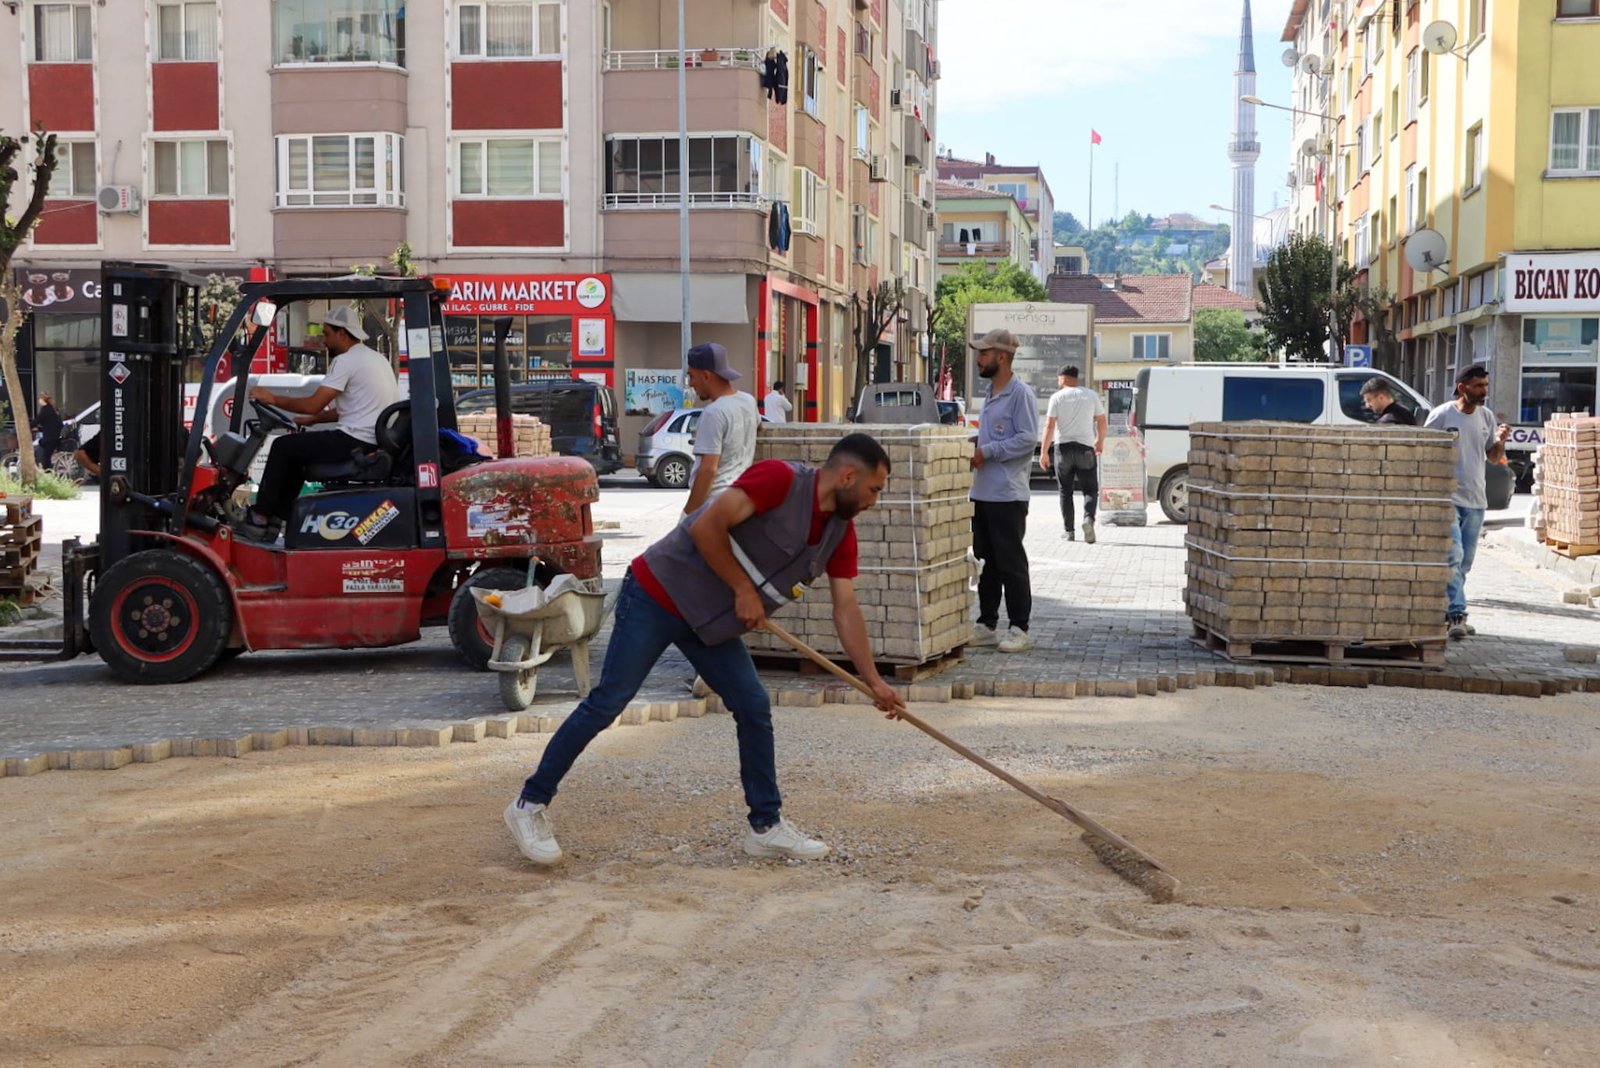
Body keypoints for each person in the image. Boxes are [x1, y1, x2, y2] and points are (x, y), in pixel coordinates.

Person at [503, 432, 906, 867]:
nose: (874, 500)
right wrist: (742, 590)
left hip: (708, 620)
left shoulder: (838, 533)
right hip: (659, 593)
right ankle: (528, 805)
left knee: (752, 705)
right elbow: (706, 525)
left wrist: (874, 681)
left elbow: (846, 609)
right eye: (873, 489)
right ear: (848, 476)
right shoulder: (779, 480)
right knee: (609, 701)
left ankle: (765, 827)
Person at [241, 306, 398, 537]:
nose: (323, 340)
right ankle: (277, 520)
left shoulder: (346, 361)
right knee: (297, 456)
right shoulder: (375, 359)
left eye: (326, 334)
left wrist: (272, 398)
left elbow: (313, 403)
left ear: (342, 334)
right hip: (370, 439)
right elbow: (354, 408)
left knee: (282, 446)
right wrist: (314, 420)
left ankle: (260, 514)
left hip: (355, 440)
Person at [1424, 364, 1509, 640]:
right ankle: (1457, 614)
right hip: (1447, 498)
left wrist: (1501, 441)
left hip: (1476, 500)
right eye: (1478, 386)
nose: (1484, 391)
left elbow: (1493, 457)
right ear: (1462, 388)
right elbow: (1423, 449)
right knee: (1453, 555)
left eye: (1485, 386)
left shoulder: (1486, 417)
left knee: (1464, 564)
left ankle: (1444, 610)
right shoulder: (1441, 415)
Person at [967, 328, 1038, 654]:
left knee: (1011, 562)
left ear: (1002, 357)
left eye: (984, 353)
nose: (978, 359)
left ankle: (1019, 627)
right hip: (983, 492)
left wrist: (989, 451)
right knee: (986, 561)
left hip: (1008, 494)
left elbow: (1027, 439)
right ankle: (987, 623)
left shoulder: (1019, 393)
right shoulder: (992, 393)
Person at [682, 342, 760, 515]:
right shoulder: (748, 401)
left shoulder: (713, 413)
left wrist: (688, 515)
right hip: (739, 500)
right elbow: (758, 426)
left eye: (692, 376)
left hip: (714, 506)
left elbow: (708, 470)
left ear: (707, 376)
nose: (691, 384)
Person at [1038, 365, 1106, 543]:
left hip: (1064, 449)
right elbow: (1101, 419)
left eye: (1058, 378)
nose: (1057, 381)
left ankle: (1069, 531)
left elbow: (1050, 425)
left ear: (1063, 378)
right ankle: (1088, 519)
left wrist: (1044, 452)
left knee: (1065, 491)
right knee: (1090, 489)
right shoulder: (1091, 395)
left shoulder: (1057, 397)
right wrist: (1099, 441)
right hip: (1085, 448)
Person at [34, 392, 62, 467]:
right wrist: (40, 429)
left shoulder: (46, 410)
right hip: (55, 435)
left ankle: (48, 473)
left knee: (46, 457)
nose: (38, 401)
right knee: (43, 447)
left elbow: (38, 420)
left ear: (42, 400)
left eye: (39, 399)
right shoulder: (51, 409)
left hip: (51, 437)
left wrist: (28, 426)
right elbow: (50, 424)